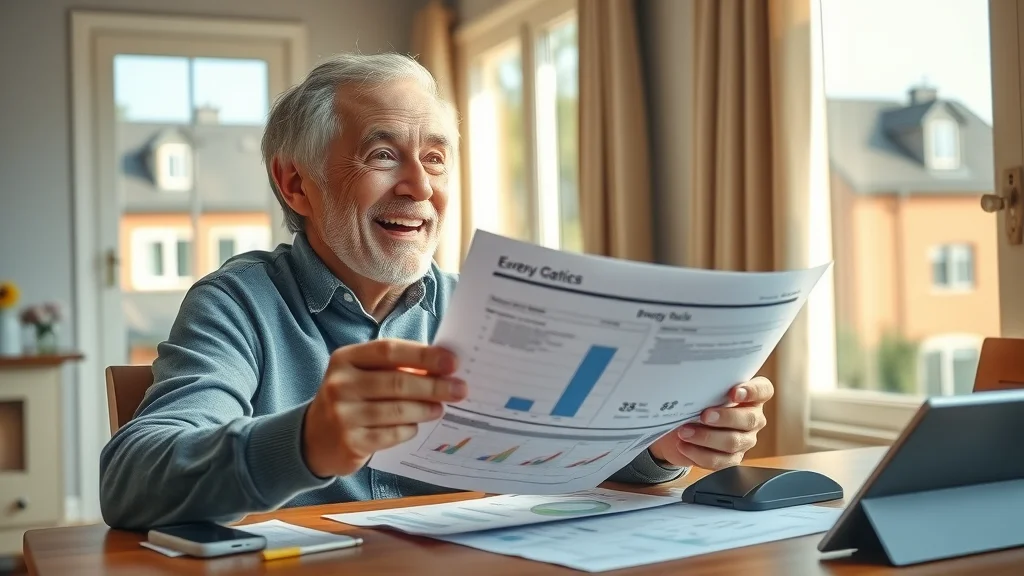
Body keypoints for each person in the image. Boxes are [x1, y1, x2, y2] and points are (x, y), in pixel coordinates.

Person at [98, 52, 774, 530]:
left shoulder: (489, 305)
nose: (420, 188)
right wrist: (306, 440)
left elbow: (571, 453)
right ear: (296, 184)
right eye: (383, 154)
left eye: (436, 157)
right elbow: (132, 481)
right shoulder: (236, 304)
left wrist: (666, 447)